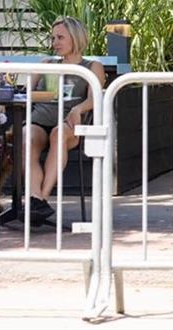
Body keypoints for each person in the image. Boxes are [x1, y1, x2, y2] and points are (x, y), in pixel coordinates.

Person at [21, 17, 105, 223]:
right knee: (26, 136)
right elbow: (24, 93)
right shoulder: (47, 64)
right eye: (53, 38)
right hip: (40, 119)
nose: (55, 43)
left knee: (58, 135)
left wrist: (79, 108)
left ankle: (41, 198)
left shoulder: (91, 66)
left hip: (69, 124)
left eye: (60, 38)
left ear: (76, 38)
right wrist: (2, 103)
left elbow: (95, 98)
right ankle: (36, 199)